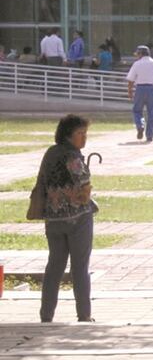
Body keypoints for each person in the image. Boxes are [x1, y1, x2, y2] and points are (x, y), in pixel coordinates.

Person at [34, 114, 98, 323]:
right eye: (80, 133)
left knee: (55, 266)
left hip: (53, 219)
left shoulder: (50, 153)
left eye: (85, 133)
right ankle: (84, 313)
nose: (84, 138)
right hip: (77, 218)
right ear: (68, 135)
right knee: (80, 267)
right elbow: (83, 185)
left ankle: (46, 315)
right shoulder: (73, 156)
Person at [126, 45, 153, 143]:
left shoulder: (137, 64)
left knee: (137, 111)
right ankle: (149, 135)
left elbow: (130, 80)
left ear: (140, 54)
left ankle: (140, 125)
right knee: (152, 113)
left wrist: (130, 91)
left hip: (140, 88)